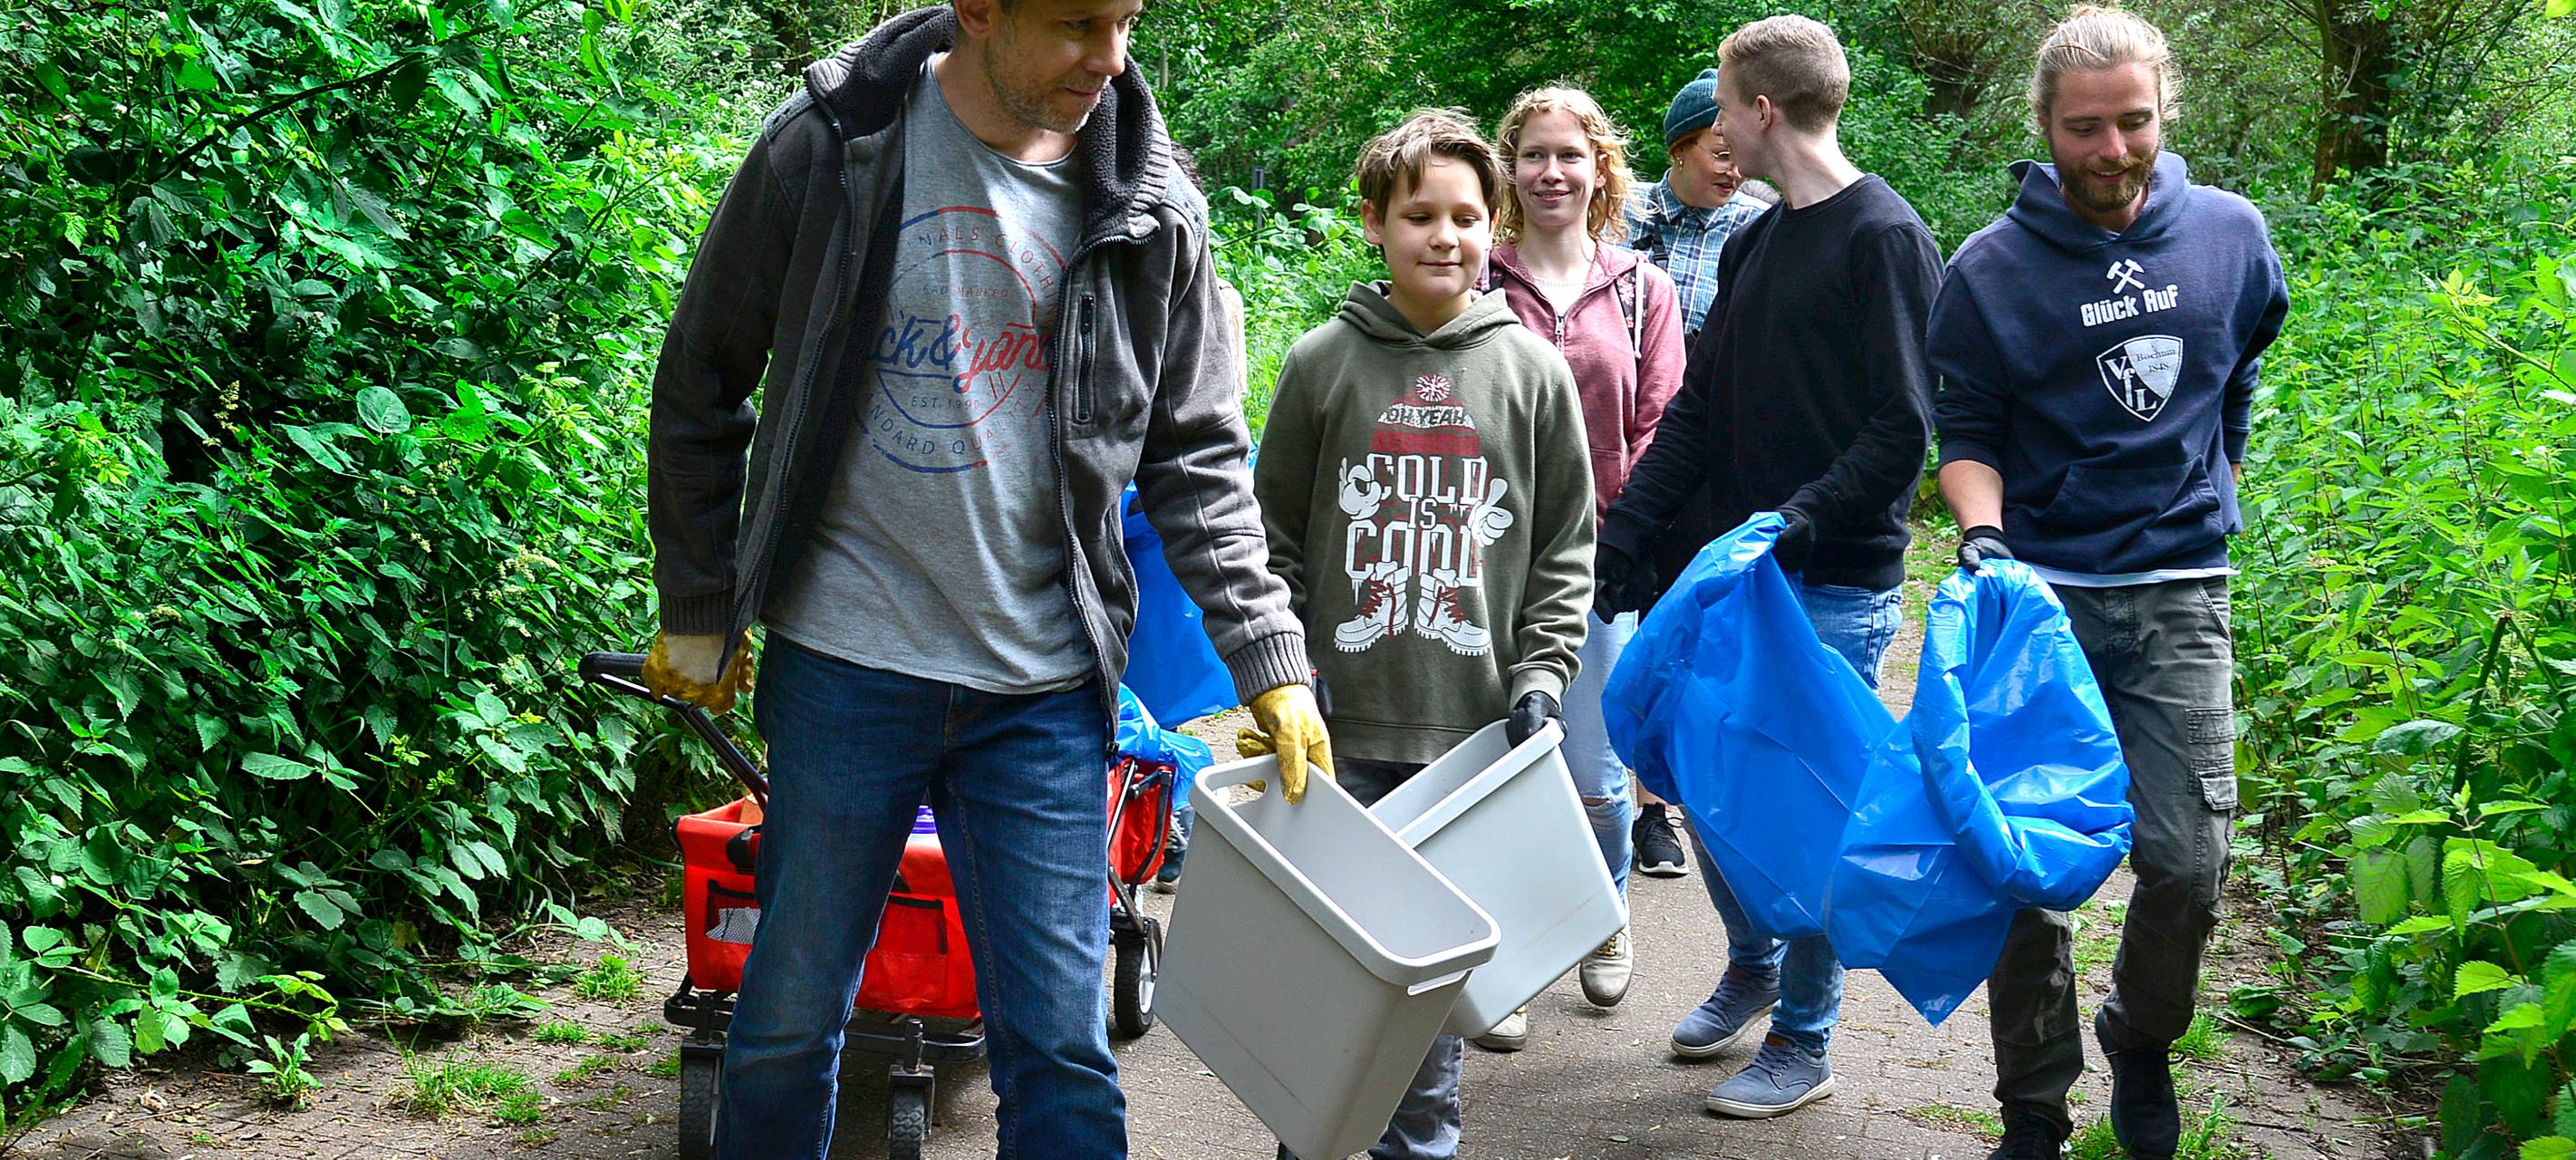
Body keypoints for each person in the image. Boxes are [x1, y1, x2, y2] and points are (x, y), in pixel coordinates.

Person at [636, 2, 1334, 1155]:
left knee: (1061, 1050)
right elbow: (703, 377)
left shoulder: (1153, 202)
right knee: (784, 1024)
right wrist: (700, 602)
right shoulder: (830, 143)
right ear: (978, 9)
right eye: (1075, 22)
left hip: (1045, 691)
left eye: (1126, 20)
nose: (1109, 58)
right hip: (844, 665)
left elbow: (1196, 449)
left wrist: (1268, 655)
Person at [1927, 8, 2287, 1158]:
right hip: (2040, 599)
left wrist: (2212, 483)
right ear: (2042, 127)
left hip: (2182, 591)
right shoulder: (1987, 269)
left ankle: (2138, 1035)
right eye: (2085, 128)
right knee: (2022, 870)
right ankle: (2032, 1103)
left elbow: (2236, 369)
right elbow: (1966, 434)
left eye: (2132, 122)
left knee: (2187, 858)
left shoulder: (2230, 234)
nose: (2112, 149)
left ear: (2161, 112)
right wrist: (1984, 541)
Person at [1593, 14, 1944, 1120]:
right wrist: (1627, 532)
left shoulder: (1883, 236)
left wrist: (1788, 520)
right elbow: (1698, 408)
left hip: (1831, 576)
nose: (1714, 129)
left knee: (1805, 811)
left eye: (1723, 104)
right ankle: (1750, 957)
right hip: (1736, 571)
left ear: (1758, 111)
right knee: (1696, 776)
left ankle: (1804, 1033)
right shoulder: (1755, 238)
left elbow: (1901, 429)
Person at [1253, 107, 1595, 1160]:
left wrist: (1539, 673)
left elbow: (1563, 544)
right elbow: (1270, 541)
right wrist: (1275, 673)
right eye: (1417, 215)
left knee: (1426, 1009)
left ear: (1492, 225)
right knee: (1317, 996)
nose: (1442, 236)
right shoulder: (1321, 364)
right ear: (1373, 223)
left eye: (1463, 215)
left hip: (1465, 746)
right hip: (1333, 740)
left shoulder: (1530, 372)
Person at [1475, 84, 1684, 1049]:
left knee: (1596, 770)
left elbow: (1658, 424)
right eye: (1532, 155)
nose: (1551, 171)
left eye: (1570, 154)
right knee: (1496, 762)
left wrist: (1621, 543)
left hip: (1596, 565)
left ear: (1601, 166)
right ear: (1508, 171)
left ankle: (1601, 916)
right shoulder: (1475, 277)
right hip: (1480, 558)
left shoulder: (1642, 286)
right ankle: (1505, 951)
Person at [1617, 66, 1772, 882]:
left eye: (1736, 152)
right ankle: (1627, 804)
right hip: (1620, 455)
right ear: (1679, 146)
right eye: (1715, 149)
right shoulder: (1620, 214)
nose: (1730, 165)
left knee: (1690, 631)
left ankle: (1671, 807)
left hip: (1710, 465)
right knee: (1627, 628)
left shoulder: (1760, 227)